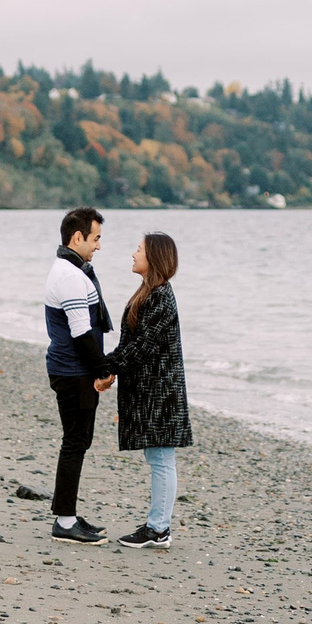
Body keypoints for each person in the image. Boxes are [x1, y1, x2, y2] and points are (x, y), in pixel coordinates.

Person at [107, 230, 191, 550]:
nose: (133, 253)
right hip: (152, 391)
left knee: (160, 459)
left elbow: (142, 347)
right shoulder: (148, 292)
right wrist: (110, 366)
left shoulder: (160, 296)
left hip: (161, 394)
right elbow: (133, 344)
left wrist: (106, 368)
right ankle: (158, 525)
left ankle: (159, 529)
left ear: (153, 257)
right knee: (156, 456)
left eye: (138, 249)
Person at [42, 205, 115, 544]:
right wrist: (103, 369)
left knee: (78, 441)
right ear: (77, 237)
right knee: (75, 442)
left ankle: (67, 514)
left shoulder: (70, 269)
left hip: (71, 369)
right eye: (95, 238)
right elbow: (81, 332)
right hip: (73, 371)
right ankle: (65, 522)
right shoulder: (70, 275)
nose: (98, 246)